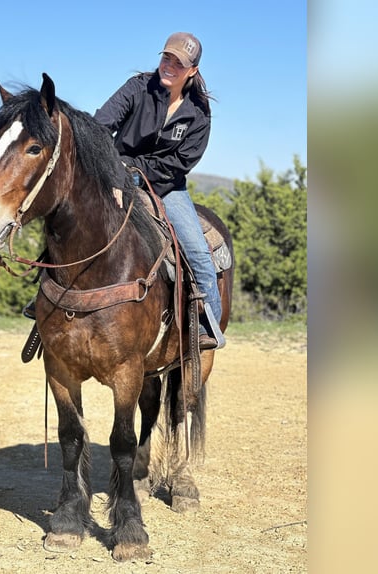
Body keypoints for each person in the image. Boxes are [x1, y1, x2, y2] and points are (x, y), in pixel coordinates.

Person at [92, 32, 225, 349]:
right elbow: (101, 125)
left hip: (167, 187)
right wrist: (114, 173)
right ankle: (45, 304)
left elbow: (179, 163)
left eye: (179, 63)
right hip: (116, 174)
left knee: (197, 252)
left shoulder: (198, 113)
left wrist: (134, 176)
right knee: (74, 218)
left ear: (191, 71)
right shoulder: (137, 87)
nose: (170, 66)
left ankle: (209, 327)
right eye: (167, 58)